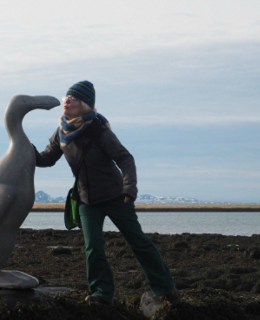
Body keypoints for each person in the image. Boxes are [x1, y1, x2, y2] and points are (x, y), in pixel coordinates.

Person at [33, 80, 181, 306]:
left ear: (84, 105)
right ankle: (101, 294)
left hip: (116, 196)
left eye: (73, 98)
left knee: (138, 242)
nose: (67, 101)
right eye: (66, 97)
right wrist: (25, 150)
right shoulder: (61, 132)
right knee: (93, 247)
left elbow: (125, 158)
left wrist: (129, 187)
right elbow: (46, 158)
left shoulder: (99, 131)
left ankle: (165, 288)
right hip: (86, 200)